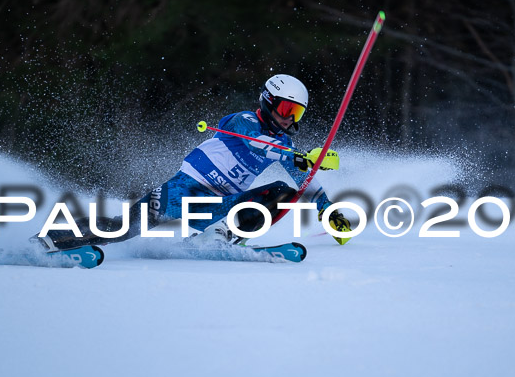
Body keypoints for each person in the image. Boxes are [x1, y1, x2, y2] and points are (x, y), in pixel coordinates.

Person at [34, 74, 352, 252]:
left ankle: (217, 239)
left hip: (219, 206)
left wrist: (328, 211)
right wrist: (300, 155)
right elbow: (260, 145)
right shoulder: (241, 121)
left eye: (296, 114)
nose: (288, 119)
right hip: (186, 190)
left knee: (284, 191)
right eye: (285, 109)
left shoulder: (285, 145)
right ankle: (50, 240)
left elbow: (306, 178)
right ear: (268, 102)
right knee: (123, 228)